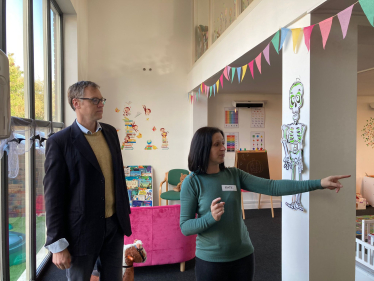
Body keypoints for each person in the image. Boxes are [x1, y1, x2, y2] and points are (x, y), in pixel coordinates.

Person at [180, 127, 350, 281]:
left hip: (243, 257)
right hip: (210, 262)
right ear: (202, 148)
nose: (224, 148)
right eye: (217, 144)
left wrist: (319, 183)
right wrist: (210, 218)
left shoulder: (234, 175)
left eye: (223, 143)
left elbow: (273, 186)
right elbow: (185, 227)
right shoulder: (192, 183)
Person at [43, 81, 131, 281]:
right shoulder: (59, 142)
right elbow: (53, 196)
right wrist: (57, 243)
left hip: (114, 226)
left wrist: (124, 214)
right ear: (76, 103)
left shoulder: (110, 133)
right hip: (81, 232)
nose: (101, 104)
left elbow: (117, 177)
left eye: (101, 100)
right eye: (95, 100)